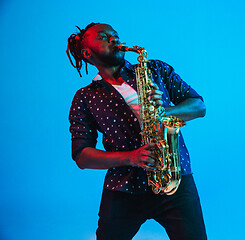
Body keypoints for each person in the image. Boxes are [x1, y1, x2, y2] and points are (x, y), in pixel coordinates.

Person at [67, 22, 207, 240]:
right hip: (124, 187)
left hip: (174, 178)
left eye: (115, 34)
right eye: (104, 37)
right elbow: (82, 156)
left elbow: (199, 106)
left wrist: (165, 112)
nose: (114, 39)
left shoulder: (155, 69)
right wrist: (130, 158)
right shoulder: (85, 97)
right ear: (87, 53)